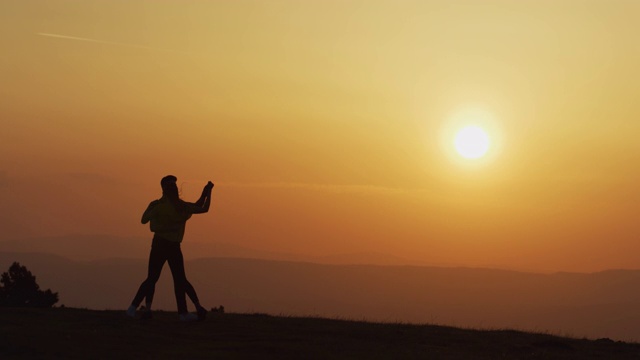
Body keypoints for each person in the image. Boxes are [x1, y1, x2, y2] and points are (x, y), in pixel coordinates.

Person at [127, 175, 213, 321]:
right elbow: (202, 208)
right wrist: (207, 193)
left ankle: (133, 309)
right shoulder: (179, 206)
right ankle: (183, 313)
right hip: (172, 246)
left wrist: (205, 193)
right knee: (178, 279)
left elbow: (144, 220)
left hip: (160, 244)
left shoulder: (159, 205)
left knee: (153, 278)